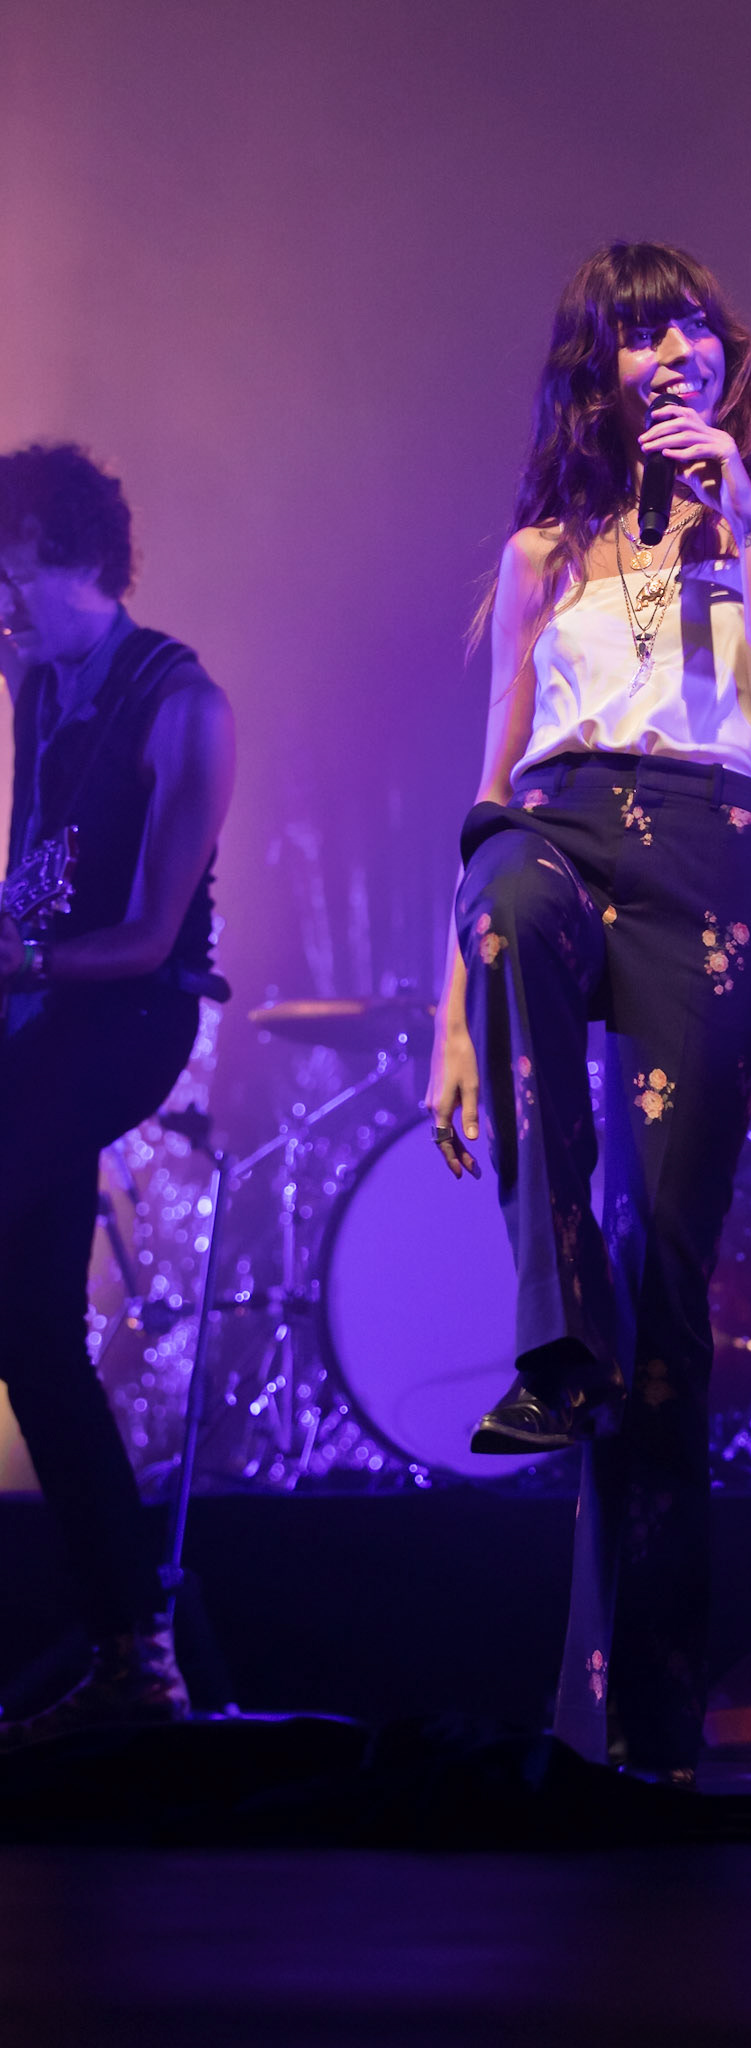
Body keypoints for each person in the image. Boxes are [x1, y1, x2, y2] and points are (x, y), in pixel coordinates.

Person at [426, 242, 751, 1782]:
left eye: (681, 324)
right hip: (553, 832)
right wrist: (454, 1020)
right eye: (629, 336)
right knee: (510, 887)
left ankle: (633, 1717)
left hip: (708, 848)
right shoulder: (543, 550)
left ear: (717, 348)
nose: (663, 353)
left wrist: (737, 518)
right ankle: (554, 1338)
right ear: (595, 373)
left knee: (663, 1295)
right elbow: (487, 790)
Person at [0, 442, 235, 1745]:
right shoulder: (32, 669)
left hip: (125, 1016)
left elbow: (150, 936)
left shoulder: (184, 703)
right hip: (32, 1017)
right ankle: (136, 1656)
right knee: (30, 1329)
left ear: (78, 558)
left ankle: (138, 1654)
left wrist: (15, 956)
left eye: (12, 566)